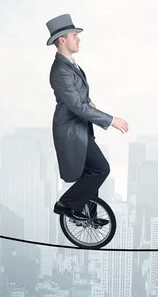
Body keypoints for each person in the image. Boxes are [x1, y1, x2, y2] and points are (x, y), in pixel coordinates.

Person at [46, 13, 129, 225]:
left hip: (80, 128)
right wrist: (111, 120)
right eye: (75, 35)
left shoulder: (71, 65)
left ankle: (88, 215)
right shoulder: (61, 71)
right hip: (71, 130)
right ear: (62, 40)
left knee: (92, 171)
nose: (79, 39)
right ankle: (66, 204)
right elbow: (76, 106)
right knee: (101, 169)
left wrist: (89, 101)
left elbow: (78, 97)